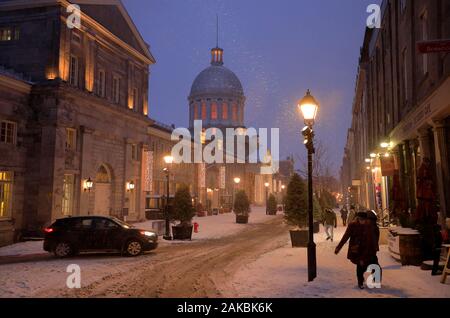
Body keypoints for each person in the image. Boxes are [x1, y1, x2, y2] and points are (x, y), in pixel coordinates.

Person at [335, 211, 380, 289]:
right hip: (357, 249)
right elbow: (345, 237)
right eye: (360, 219)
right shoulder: (352, 225)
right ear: (357, 219)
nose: (362, 221)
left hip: (368, 248)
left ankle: (376, 281)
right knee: (360, 265)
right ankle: (360, 282)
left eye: (364, 219)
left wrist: (375, 247)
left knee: (375, 265)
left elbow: (373, 238)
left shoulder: (369, 226)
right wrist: (338, 247)